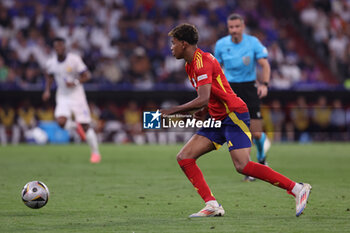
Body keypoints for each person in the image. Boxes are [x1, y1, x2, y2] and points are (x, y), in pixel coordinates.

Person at [161, 23, 311, 218]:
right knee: (184, 157)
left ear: (184, 43)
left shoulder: (202, 62)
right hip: (217, 117)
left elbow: (204, 96)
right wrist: (203, 110)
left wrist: (175, 110)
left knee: (242, 165)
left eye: (173, 43)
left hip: (233, 114)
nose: (171, 48)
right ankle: (212, 204)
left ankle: (297, 189)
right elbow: (211, 92)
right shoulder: (190, 65)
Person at [214, 14, 271, 177]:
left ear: (242, 26)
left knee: (257, 133)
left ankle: (261, 155)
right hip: (230, 89)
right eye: (231, 27)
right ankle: (249, 168)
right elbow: (216, 68)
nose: (234, 30)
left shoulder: (253, 42)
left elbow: (265, 64)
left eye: (237, 27)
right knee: (241, 131)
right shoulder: (221, 45)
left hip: (249, 88)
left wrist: (265, 84)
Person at [42, 37, 101, 163]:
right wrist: (47, 90)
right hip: (62, 95)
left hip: (77, 95)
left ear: (65, 47)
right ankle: (76, 126)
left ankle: (95, 153)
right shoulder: (51, 63)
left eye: (61, 46)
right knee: (61, 122)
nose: (59, 48)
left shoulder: (74, 60)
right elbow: (49, 76)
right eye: (56, 46)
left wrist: (75, 82)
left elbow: (87, 75)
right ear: (54, 48)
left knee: (86, 125)